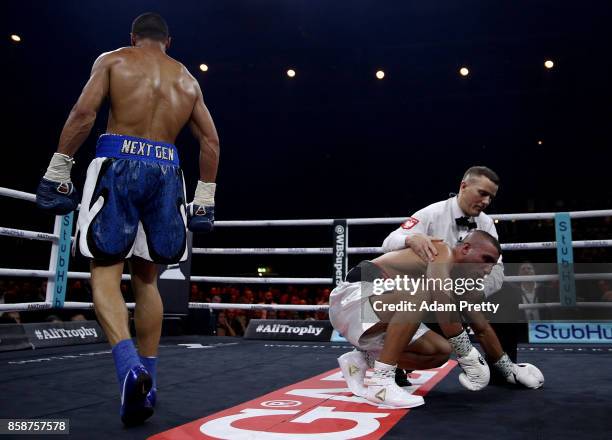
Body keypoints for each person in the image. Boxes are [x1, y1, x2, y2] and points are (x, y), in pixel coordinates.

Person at [35, 12, 220, 425]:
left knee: (104, 271)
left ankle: (128, 367)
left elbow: (83, 115)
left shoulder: (114, 60)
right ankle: (148, 382)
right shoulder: (187, 79)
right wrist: (205, 197)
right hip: (169, 173)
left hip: (118, 162)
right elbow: (210, 139)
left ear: (134, 37)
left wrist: (58, 167)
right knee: (148, 278)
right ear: (167, 42)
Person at [331, 231, 541, 409]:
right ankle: (381, 384)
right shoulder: (442, 252)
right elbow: (441, 301)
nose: (487, 270)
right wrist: (467, 354)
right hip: (352, 298)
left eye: (492, 265)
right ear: (466, 249)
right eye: (486, 259)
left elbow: (482, 327)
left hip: (373, 316)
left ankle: (361, 360)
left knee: (439, 351)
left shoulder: (461, 281)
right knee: (422, 290)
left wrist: (508, 369)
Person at [381, 166, 540, 387]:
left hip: (463, 292)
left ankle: (503, 369)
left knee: (508, 294)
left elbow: (496, 268)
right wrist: (409, 240)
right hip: (427, 293)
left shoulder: (486, 224)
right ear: (463, 186)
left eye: (491, 197)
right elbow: (389, 242)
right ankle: (394, 362)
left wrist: (477, 291)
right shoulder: (432, 214)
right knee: (429, 299)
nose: (486, 201)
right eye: (482, 193)